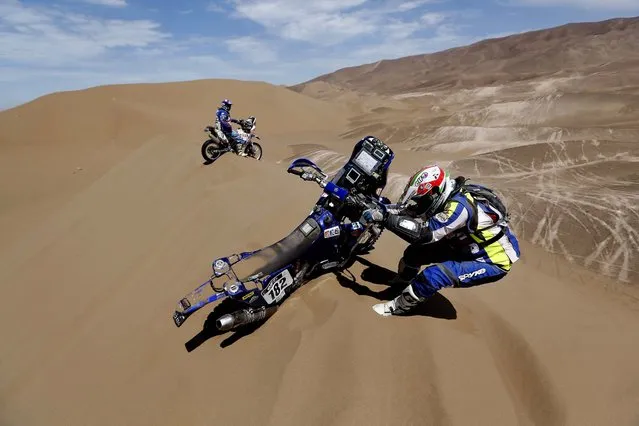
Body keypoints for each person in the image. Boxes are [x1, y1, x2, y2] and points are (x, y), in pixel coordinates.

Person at [360, 164, 521, 317]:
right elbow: (407, 210)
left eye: (421, 199)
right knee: (414, 253)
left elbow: (424, 234)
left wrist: (386, 218)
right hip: (464, 244)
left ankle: (397, 307)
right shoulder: (445, 197)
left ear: (435, 193)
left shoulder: (458, 207)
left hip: (491, 259)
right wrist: (380, 210)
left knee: (434, 275)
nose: (419, 203)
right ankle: (403, 283)